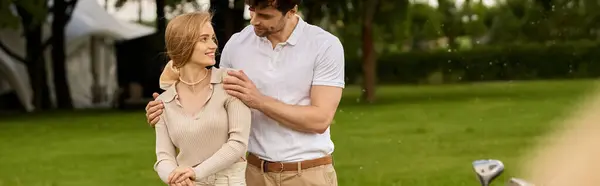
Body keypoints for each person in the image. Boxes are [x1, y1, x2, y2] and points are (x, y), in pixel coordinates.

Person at [146, 0, 345, 185]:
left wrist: (258, 100)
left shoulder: (324, 45)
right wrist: (166, 105)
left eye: (265, 16)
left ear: (291, 10)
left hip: (307, 173)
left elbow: (320, 120)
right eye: (252, 11)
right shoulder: (237, 44)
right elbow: (207, 86)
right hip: (252, 173)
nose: (254, 21)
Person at [151, 11, 252, 186]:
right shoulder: (163, 101)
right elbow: (164, 157)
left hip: (229, 181)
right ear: (183, 44)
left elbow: (238, 144)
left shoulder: (230, 82)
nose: (213, 45)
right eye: (204, 39)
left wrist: (196, 172)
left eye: (213, 38)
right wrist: (173, 177)